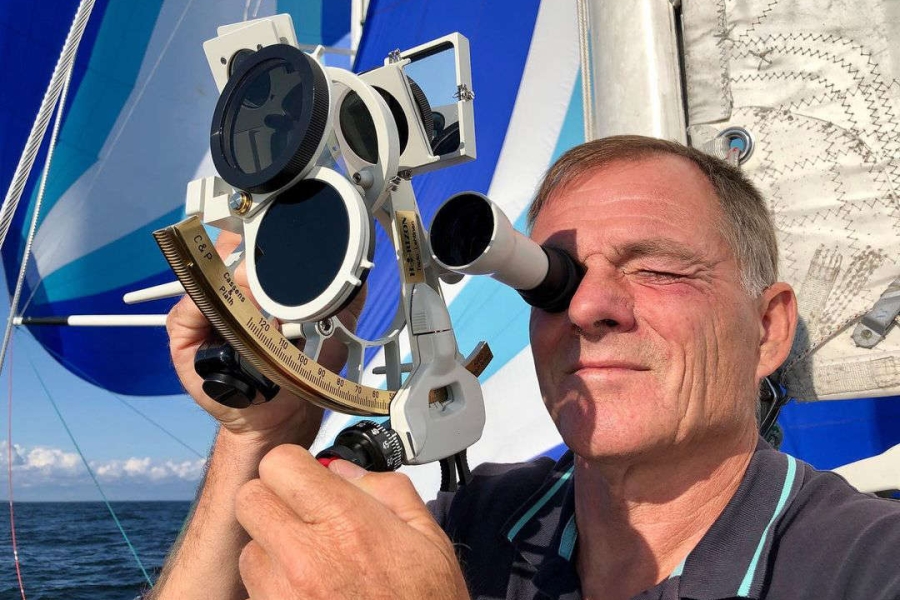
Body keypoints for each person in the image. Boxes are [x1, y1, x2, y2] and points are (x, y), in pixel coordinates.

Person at [148, 135, 900, 600]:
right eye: (552, 280)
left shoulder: (870, 568)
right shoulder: (477, 524)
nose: (587, 307)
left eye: (660, 271)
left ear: (768, 330)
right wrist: (258, 433)